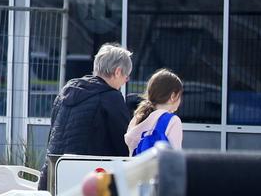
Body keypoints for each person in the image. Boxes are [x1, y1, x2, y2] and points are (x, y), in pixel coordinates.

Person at [37, 44, 133, 189]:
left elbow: (53, 134)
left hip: (51, 178)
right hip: (85, 180)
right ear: (118, 71)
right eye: (127, 76)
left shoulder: (66, 90)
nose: (126, 80)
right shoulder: (111, 97)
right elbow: (123, 145)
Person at [125, 69, 184, 155]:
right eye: (180, 95)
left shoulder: (138, 117)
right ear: (173, 96)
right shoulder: (173, 121)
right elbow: (175, 156)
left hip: (138, 167)